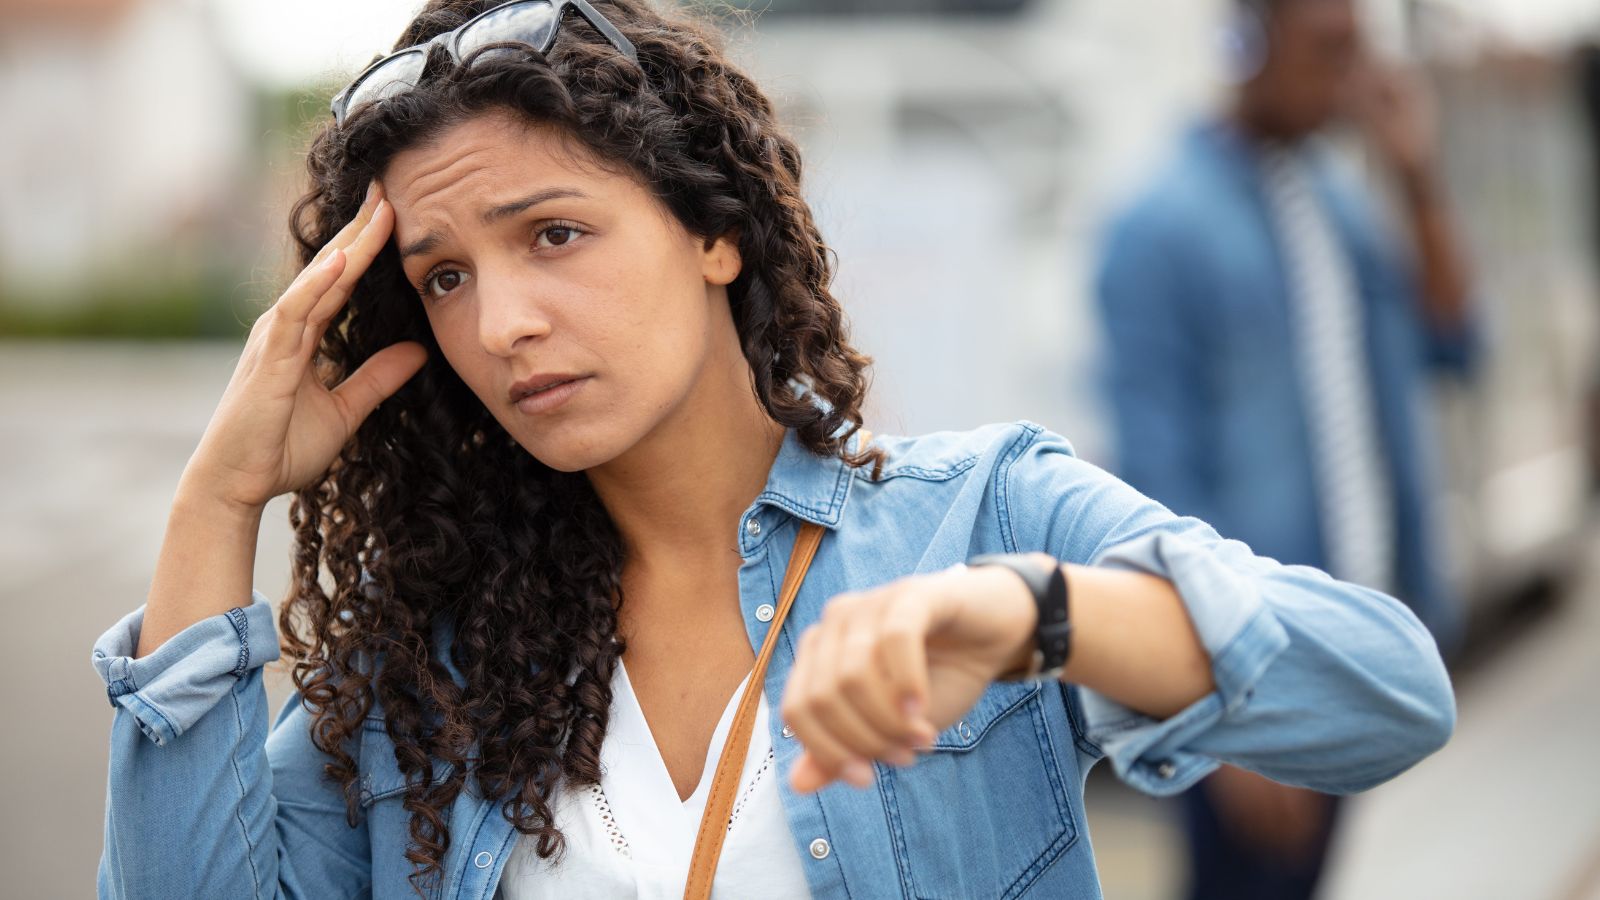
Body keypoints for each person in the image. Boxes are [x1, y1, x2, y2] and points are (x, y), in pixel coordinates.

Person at [93, 1, 1455, 898]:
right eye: (444, 278)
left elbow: (1388, 696)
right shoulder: (435, 671)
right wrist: (220, 497)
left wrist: (1032, 616)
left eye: (553, 234)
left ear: (712, 231)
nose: (502, 321)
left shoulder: (973, 521)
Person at [1094, 0, 1478, 898]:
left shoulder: (1339, 205)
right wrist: (1228, 721)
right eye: (1330, 51)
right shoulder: (1158, 226)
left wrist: (1418, 174)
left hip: (1341, 647)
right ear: (1253, 44)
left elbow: (1455, 343)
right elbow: (1156, 488)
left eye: (1359, 51)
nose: (1354, 78)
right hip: (1251, 677)